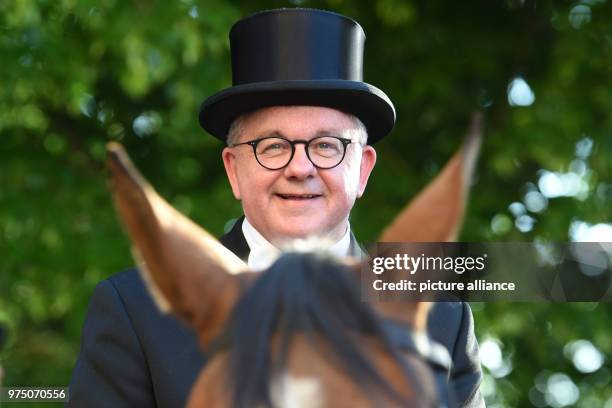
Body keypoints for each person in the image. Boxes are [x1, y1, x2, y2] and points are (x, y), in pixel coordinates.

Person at [69, 8, 483, 407]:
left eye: (326, 146)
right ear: (233, 170)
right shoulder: (134, 309)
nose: (300, 168)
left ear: (363, 170)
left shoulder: (443, 318)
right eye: (273, 146)